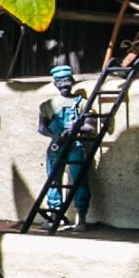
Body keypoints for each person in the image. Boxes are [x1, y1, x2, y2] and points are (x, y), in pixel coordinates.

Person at [36, 60, 96, 228]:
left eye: (67, 80)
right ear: (55, 83)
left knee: (79, 179)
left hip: (75, 146)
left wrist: (78, 127)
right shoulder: (47, 106)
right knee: (53, 181)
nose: (64, 85)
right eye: (60, 82)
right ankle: (54, 215)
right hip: (56, 146)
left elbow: (91, 128)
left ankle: (81, 217)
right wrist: (54, 136)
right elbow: (41, 128)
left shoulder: (82, 103)